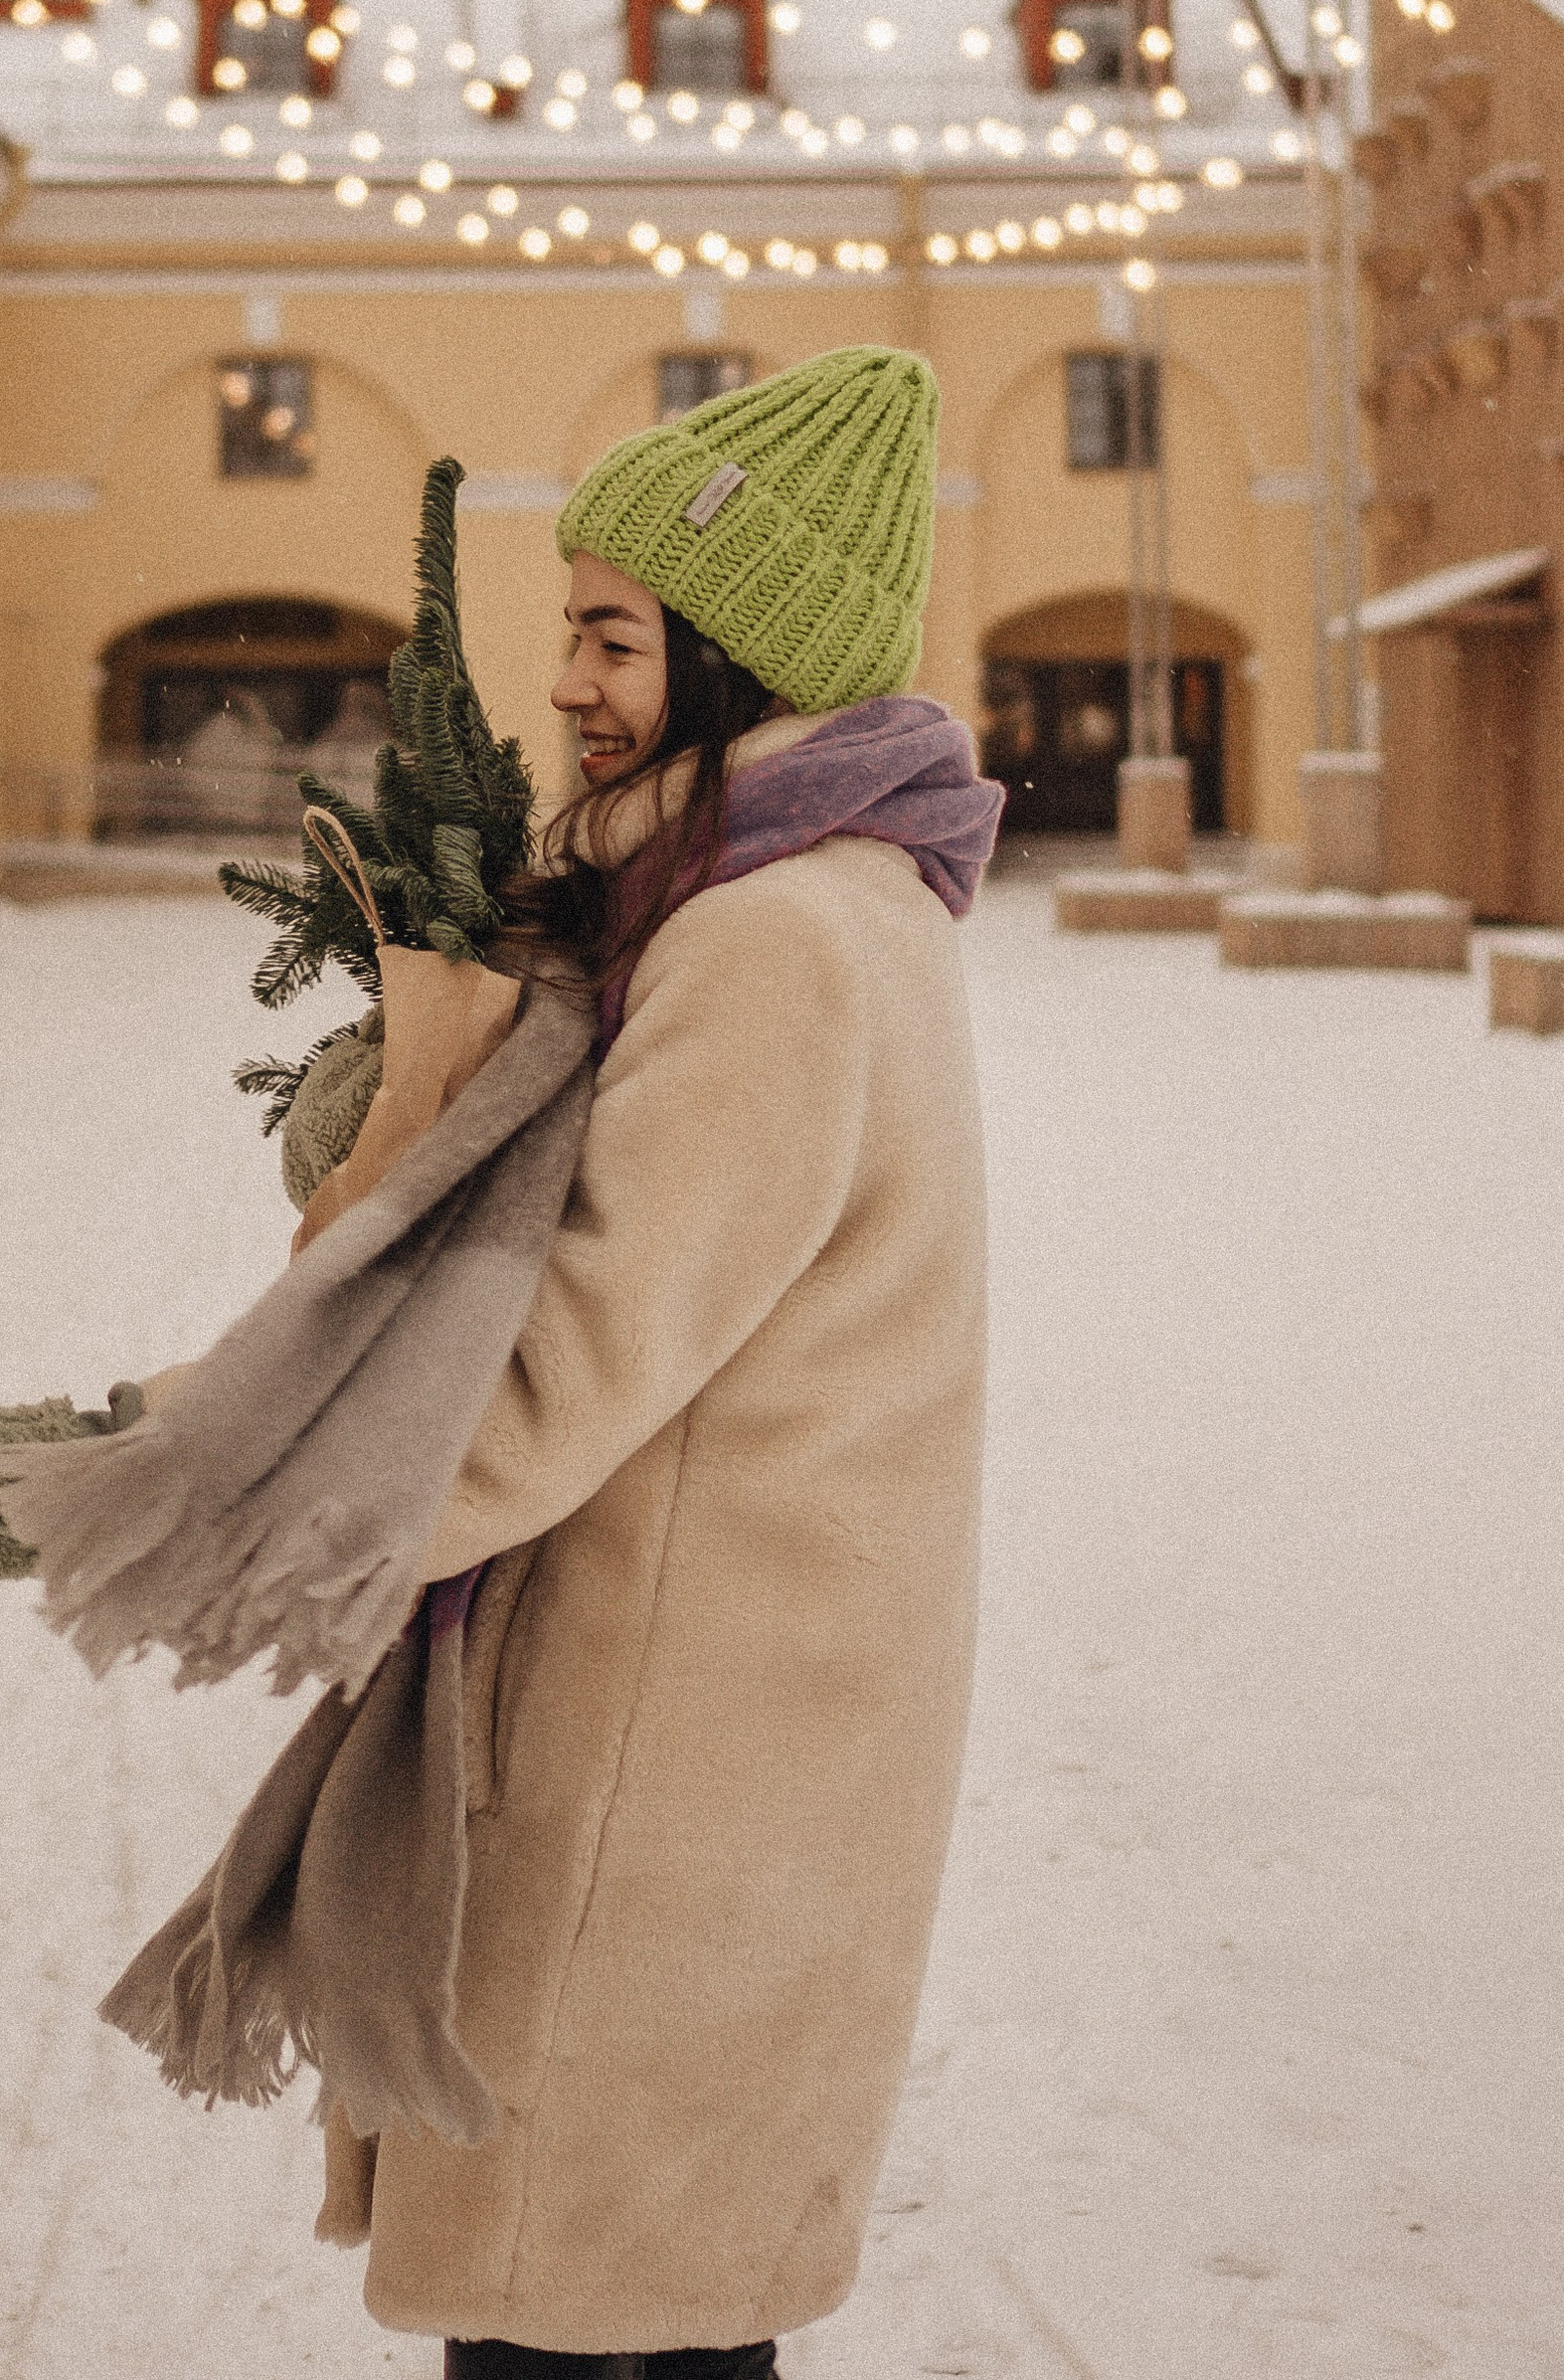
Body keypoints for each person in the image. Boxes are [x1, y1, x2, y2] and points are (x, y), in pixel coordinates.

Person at [351, 342, 1003, 2380]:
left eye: (614, 638)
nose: (566, 683)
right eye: (572, 631)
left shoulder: (765, 942)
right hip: (742, 1737)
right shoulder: (821, 905)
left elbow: (566, 1362)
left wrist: (258, 1502)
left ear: (734, 658)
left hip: (666, 1763)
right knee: (667, 2314)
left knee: (575, 2317)